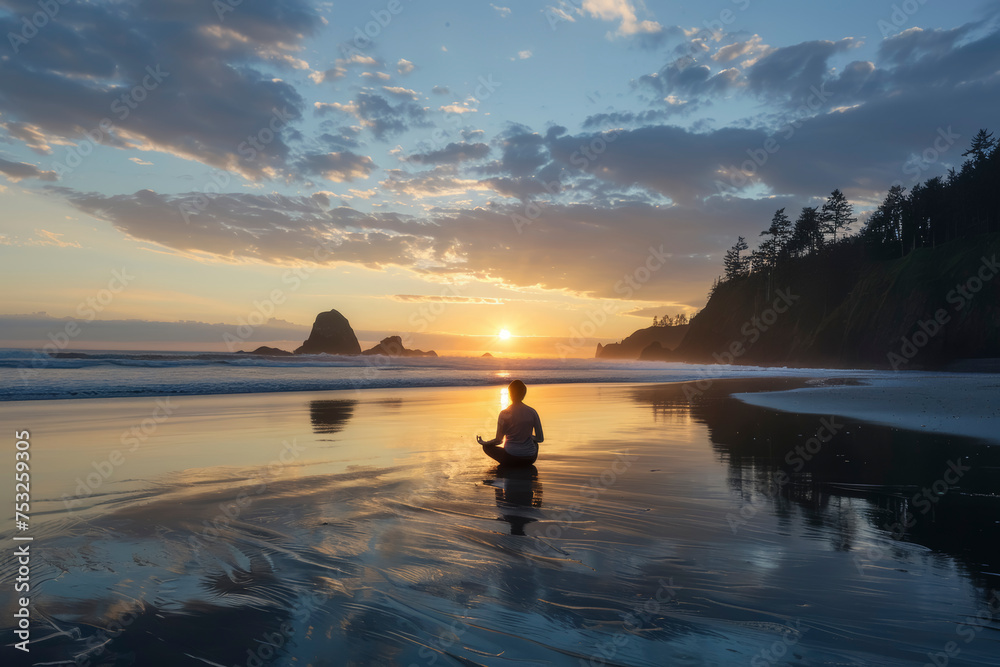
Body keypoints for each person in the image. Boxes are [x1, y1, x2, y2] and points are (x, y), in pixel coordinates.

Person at [477, 379, 544, 466]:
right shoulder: (532, 412)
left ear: (510, 394)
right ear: (524, 393)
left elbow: (499, 440)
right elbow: (540, 439)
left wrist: (484, 442)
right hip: (530, 458)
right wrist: (528, 436)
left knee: (486, 447)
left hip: (510, 458)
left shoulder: (504, 413)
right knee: (535, 443)